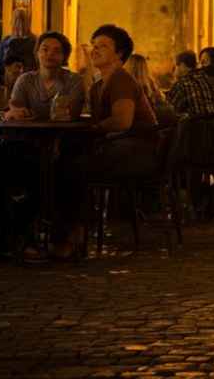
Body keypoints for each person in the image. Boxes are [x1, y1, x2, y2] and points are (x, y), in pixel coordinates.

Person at [50, 25, 163, 259]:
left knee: (71, 167)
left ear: (119, 54)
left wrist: (93, 128)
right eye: (93, 45)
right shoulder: (98, 85)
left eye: (103, 46)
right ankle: (70, 231)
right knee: (63, 159)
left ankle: (71, 235)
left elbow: (122, 121)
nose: (95, 50)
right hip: (119, 147)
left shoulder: (121, 79)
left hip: (137, 151)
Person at [6, 31, 85, 121]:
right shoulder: (25, 80)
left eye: (57, 51)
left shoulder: (74, 80)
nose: (50, 54)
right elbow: (16, 112)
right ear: (37, 53)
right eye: (45, 49)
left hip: (64, 133)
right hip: (28, 133)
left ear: (64, 57)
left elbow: (72, 113)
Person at [167, 50, 214, 118]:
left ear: (182, 65)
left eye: (175, 66)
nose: (173, 71)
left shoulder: (182, 85)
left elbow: (169, 113)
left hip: (198, 128)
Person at [0, 8, 36, 73]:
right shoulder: (6, 41)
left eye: (22, 20)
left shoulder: (34, 41)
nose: (20, 24)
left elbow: (36, 64)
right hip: (8, 77)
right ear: (12, 22)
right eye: (17, 20)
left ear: (27, 22)